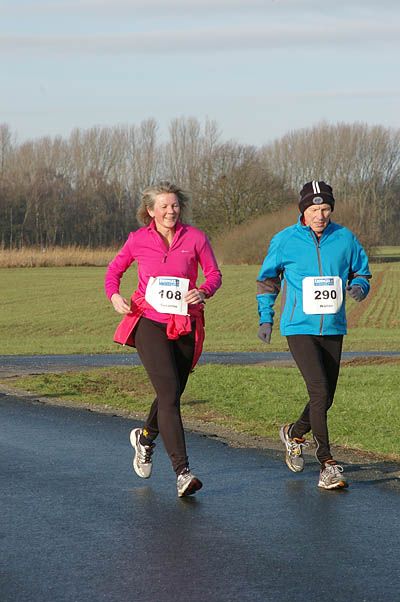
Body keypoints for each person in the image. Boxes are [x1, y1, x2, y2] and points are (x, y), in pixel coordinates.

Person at [105, 181, 221, 498]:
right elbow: (113, 272)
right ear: (151, 210)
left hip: (184, 322)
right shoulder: (138, 240)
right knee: (169, 392)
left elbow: (214, 274)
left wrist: (203, 291)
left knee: (172, 391)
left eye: (175, 205)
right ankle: (183, 472)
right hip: (149, 322)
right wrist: (114, 296)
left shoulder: (195, 237)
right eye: (164, 206)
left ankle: (145, 438)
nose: (171, 211)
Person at [256, 181, 371, 490]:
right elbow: (267, 281)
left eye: (325, 209)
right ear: (303, 212)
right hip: (299, 327)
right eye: (313, 209)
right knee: (319, 391)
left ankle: (294, 434)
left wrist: (359, 287)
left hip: (333, 326)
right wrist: (266, 318)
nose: (320, 215)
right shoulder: (285, 240)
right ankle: (327, 463)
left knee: (326, 397)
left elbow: (362, 272)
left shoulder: (345, 238)